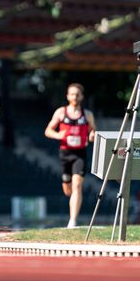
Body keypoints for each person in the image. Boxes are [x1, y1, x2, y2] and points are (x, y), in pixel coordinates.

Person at [44, 83, 96, 228]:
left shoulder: (87, 114)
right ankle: (71, 197)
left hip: (80, 153)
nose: (75, 97)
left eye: (77, 94)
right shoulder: (61, 112)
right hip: (65, 153)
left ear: (82, 96)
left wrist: (91, 135)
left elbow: (93, 131)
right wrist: (58, 134)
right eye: (72, 94)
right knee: (68, 189)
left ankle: (72, 221)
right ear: (67, 96)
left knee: (78, 185)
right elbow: (48, 131)